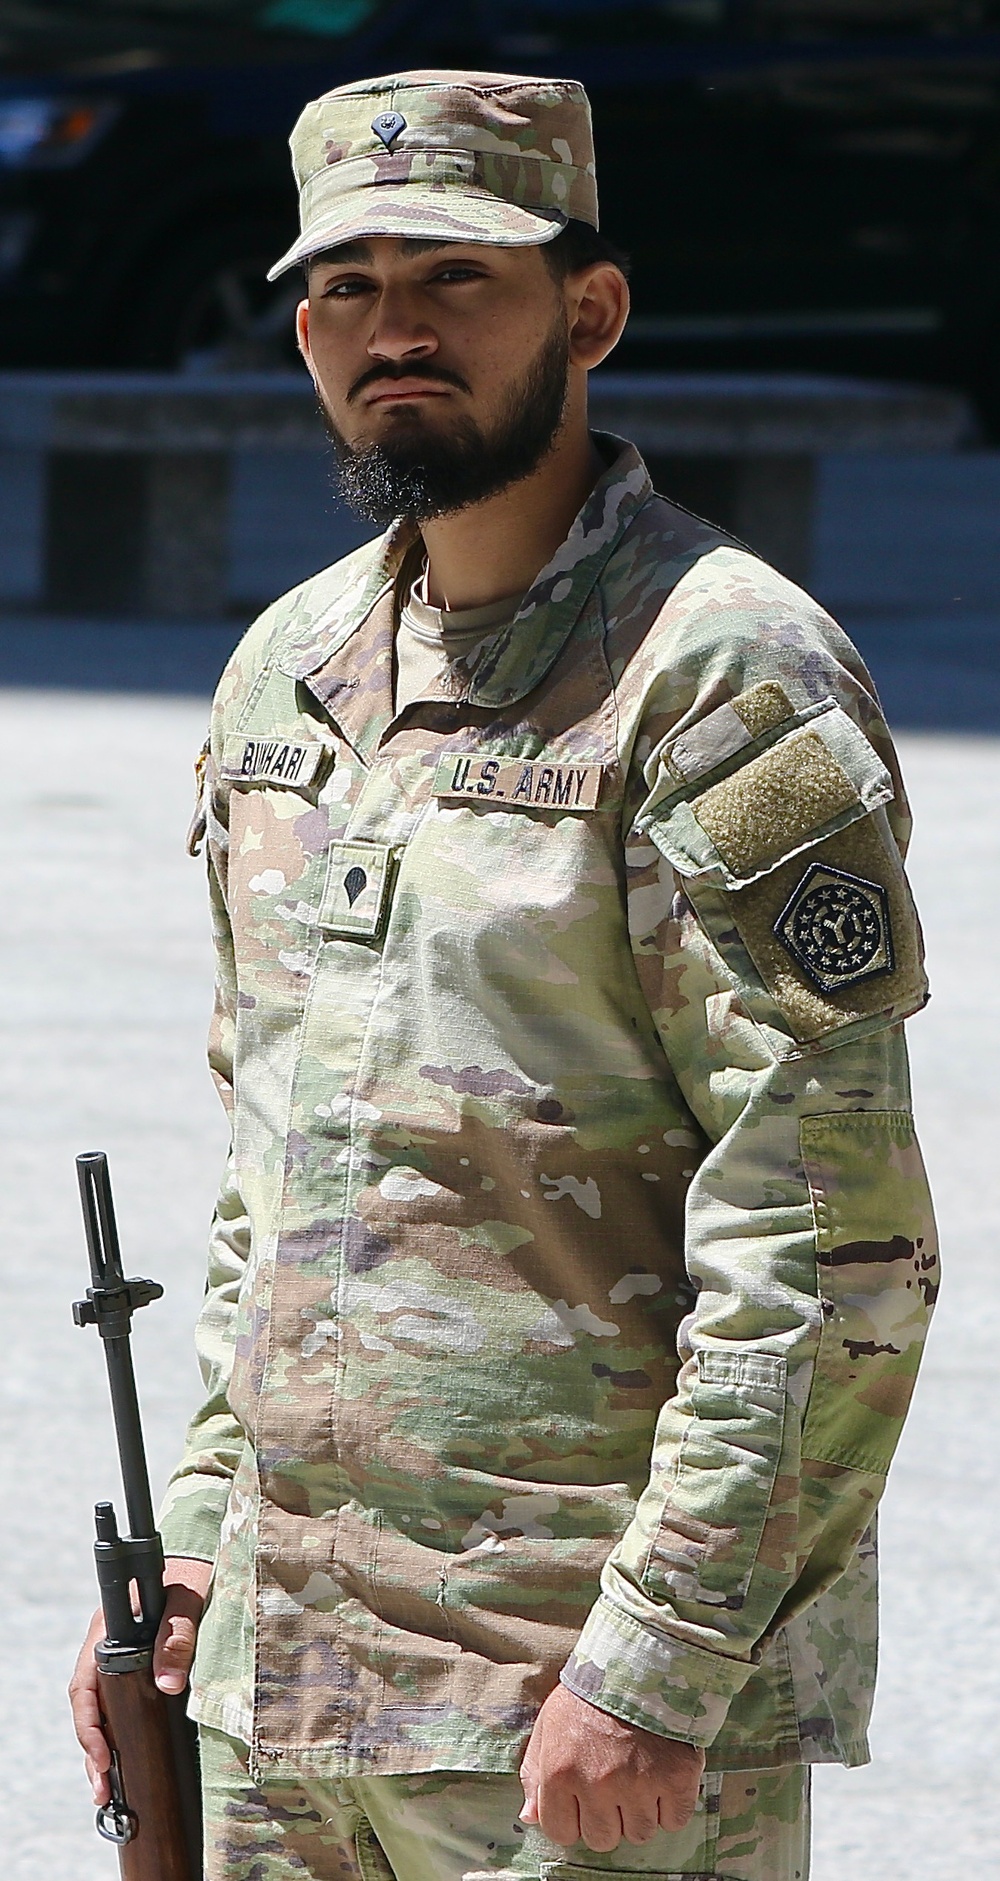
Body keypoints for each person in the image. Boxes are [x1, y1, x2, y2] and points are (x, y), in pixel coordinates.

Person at [70, 68, 938, 1881]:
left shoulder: (725, 679)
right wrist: (205, 1549)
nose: (394, 331)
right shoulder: (283, 676)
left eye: (456, 278)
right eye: (345, 287)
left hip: (569, 1727)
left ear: (590, 310)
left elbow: (828, 1228)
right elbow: (275, 1180)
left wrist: (664, 1657)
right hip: (280, 1697)